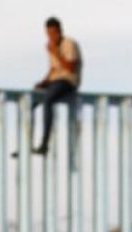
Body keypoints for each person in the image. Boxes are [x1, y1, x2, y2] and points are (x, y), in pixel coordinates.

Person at [30, 17, 81, 155]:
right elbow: (53, 68)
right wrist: (43, 82)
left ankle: (44, 144)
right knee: (30, 101)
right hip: (55, 80)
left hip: (68, 81)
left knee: (48, 100)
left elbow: (70, 67)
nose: (51, 37)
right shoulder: (50, 46)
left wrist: (55, 52)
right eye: (49, 34)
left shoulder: (69, 44)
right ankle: (26, 142)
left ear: (60, 31)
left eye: (54, 33)